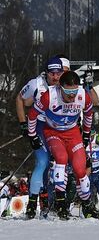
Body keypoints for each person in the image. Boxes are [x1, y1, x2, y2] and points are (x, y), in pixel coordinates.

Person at [26, 71, 99, 220]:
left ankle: (87, 206)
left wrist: (86, 134)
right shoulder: (49, 95)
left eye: (74, 91)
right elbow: (32, 115)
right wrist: (32, 135)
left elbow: (88, 114)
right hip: (53, 131)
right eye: (68, 92)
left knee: (80, 169)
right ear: (60, 87)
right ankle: (60, 203)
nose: (72, 96)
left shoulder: (82, 95)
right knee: (61, 158)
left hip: (72, 132)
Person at [15, 57, 64, 219]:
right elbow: (20, 99)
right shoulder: (36, 84)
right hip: (39, 127)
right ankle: (32, 204)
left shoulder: (66, 83)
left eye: (59, 73)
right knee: (42, 162)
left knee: (60, 162)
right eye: (52, 73)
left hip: (58, 129)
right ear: (46, 73)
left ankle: (58, 202)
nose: (56, 77)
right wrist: (23, 123)